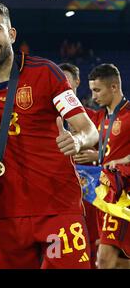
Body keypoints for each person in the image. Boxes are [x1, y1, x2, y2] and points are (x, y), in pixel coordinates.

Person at [0, 0, 99, 268]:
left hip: (57, 207)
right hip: (6, 214)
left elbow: (88, 129)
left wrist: (77, 140)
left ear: (11, 34)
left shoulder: (45, 72)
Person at [87, 63, 130, 269]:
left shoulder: (129, 115)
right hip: (104, 194)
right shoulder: (100, 118)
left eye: (97, 90)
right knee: (106, 260)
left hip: (123, 196)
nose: (94, 96)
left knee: (104, 260)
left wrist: (122, 161)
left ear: (114, 87)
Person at [59, 62, 100, 268]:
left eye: (67, 80)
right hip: (59, 193)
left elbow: (113, 152)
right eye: (60, 80)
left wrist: (95, 154)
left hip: (91, 195)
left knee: (94, 246)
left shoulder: (94, 118)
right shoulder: (47, 120)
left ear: (77, 82)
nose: (64, 85)